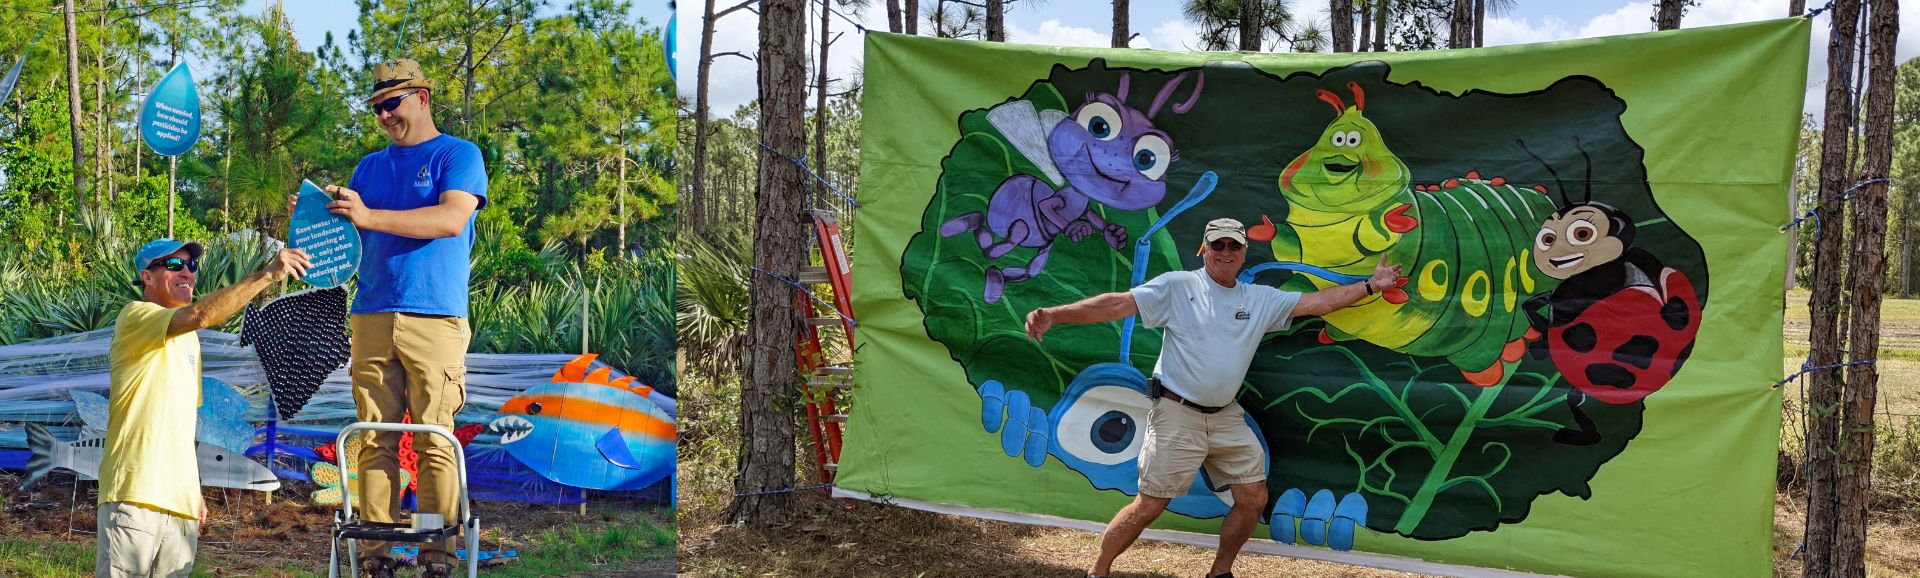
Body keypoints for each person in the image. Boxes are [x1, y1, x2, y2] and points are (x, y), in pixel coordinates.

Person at [1024, 218, 1401, 578]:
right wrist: (1055, 315)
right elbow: (1116, 305)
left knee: (1254, 498)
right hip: (1177, 412)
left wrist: (1370, 285)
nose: (1225, 251)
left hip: (1225, 417)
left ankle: (1220, 571)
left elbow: (1319, 303)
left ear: (1243, 252)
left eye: (1233, 245)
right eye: (1217, 244)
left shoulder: (1260, 299)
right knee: (1152, 504)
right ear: (1204, 248)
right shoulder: (1177, 286)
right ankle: (1099, 570)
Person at [290, 57, 488, 578]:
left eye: (391, 104)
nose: (383, 116)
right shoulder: (369, 168)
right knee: (372, 439)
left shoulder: (458, 154)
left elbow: (449, 219)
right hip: (371, 314)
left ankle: (435, 556)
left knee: (433, 440)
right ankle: (376, 558)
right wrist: (313, 211)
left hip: (436, 317)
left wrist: (369, 215)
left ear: (421, 97)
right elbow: (348, 236)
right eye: (376, 107)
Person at [99, 239, 309, 578]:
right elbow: (201, 315)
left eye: (191, 266)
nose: (186, 272)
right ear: (146, 277)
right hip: (136, 495)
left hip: (180, 506)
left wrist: (193, 490)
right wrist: (268, 274)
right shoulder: (136, 316)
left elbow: (184, 424)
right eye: (173, 265)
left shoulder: (189, 342)